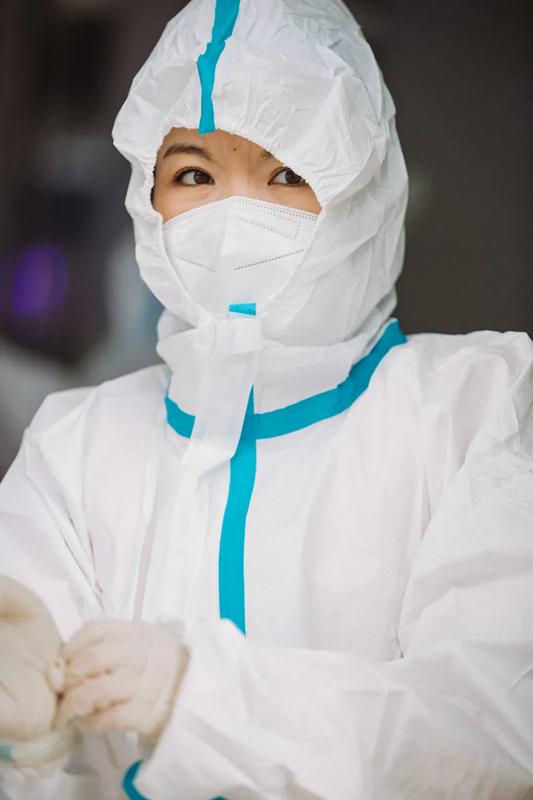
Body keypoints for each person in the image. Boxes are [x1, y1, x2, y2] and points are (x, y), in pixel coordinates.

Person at [1, 0, 533, 797]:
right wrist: (32, 746)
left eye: (286, 172)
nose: (232, 214)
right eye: (192, 174)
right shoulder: (74, 447)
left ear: (361, 193)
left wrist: (202, 696)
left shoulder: (468, 408)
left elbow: (493, 733)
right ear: (147, 198)